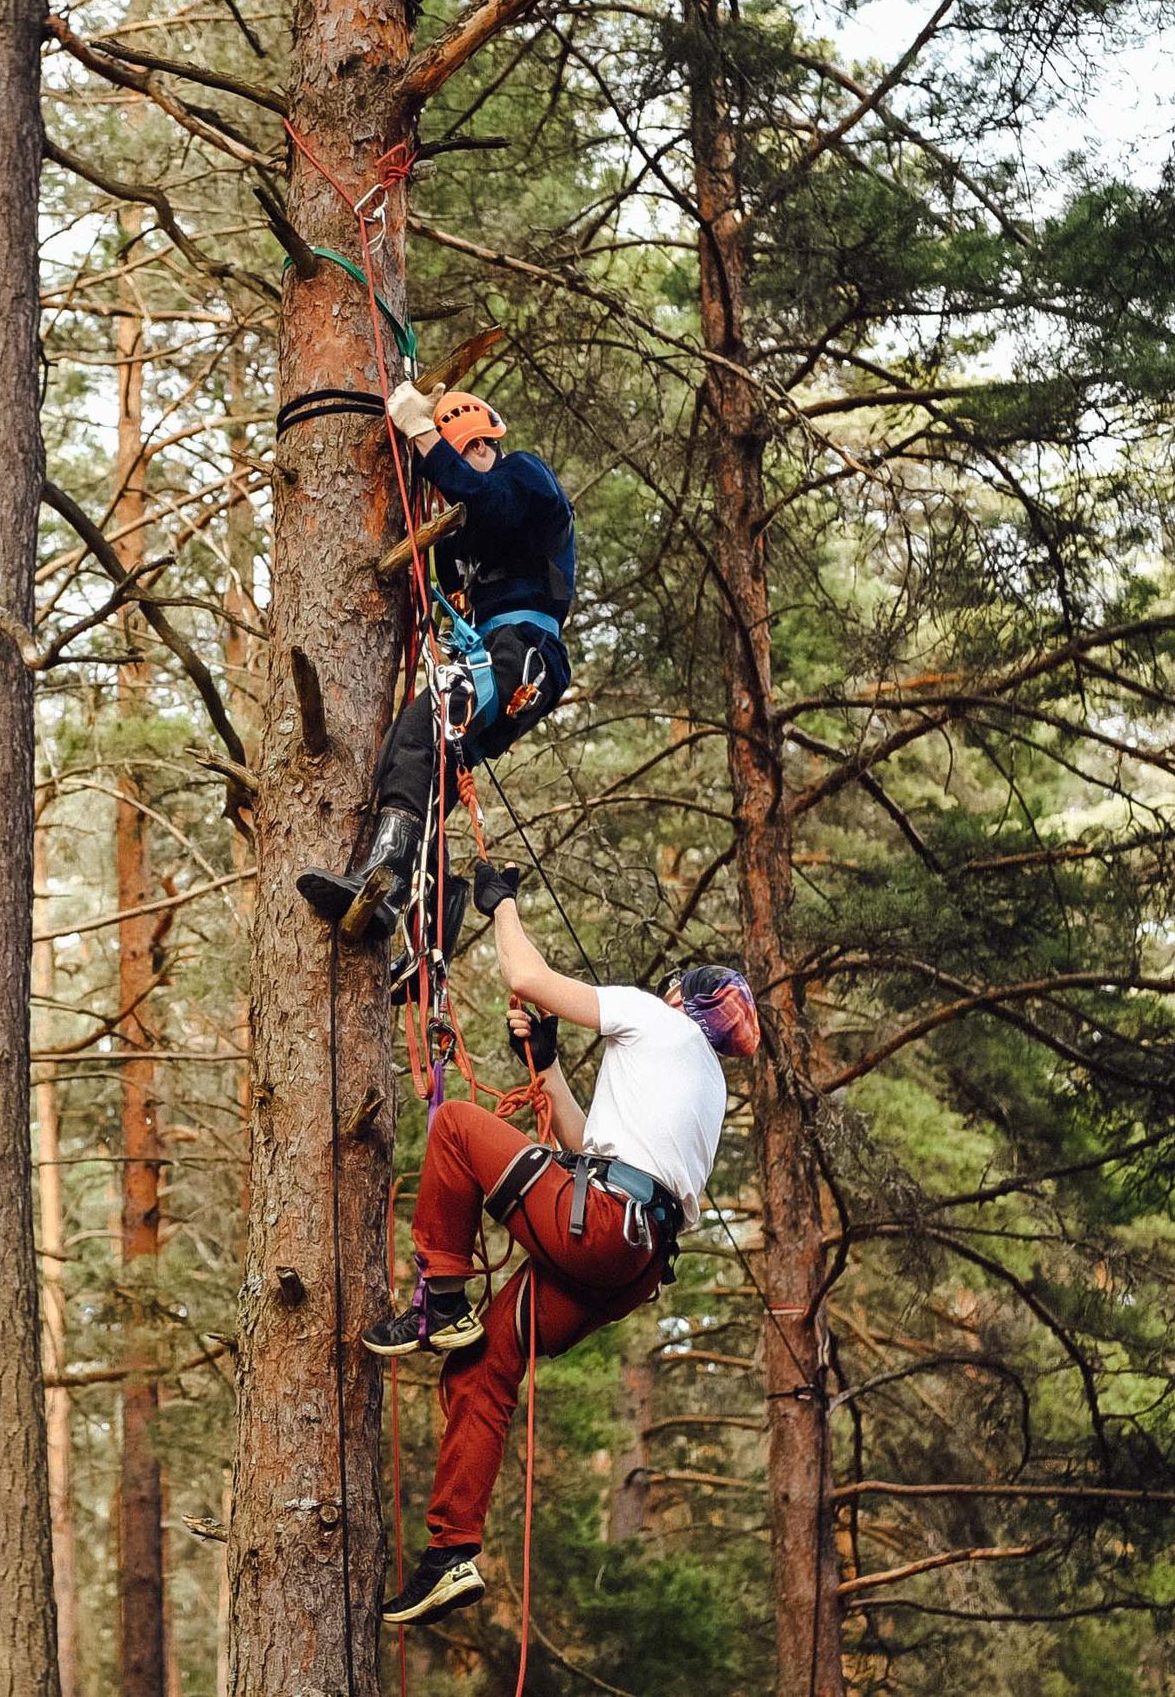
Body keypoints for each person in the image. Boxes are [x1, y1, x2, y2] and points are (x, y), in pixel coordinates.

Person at [365, 861, 761, 1628]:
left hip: (603, 1224)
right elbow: (591, 1146)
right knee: (484, 1365)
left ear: (681, 1000)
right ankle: (450, 1554)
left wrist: (503, 903)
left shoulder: (659, 1020)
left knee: (457, 1129)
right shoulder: (704, 1082)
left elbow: (526, 974)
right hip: (627, 1258)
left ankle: (440, 1298)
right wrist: (546, 1064)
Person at [296, 381, 577, 947]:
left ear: (482, 446)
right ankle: (429, 913)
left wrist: (423, 432)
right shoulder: (463, 534)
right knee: (419, 764)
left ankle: (383, 884)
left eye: (466, 453)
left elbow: (492, 503)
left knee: (424, 729)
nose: (462, 469)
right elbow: (443, 565)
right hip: (499, 656)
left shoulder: (524, 476)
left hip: (522, 650)